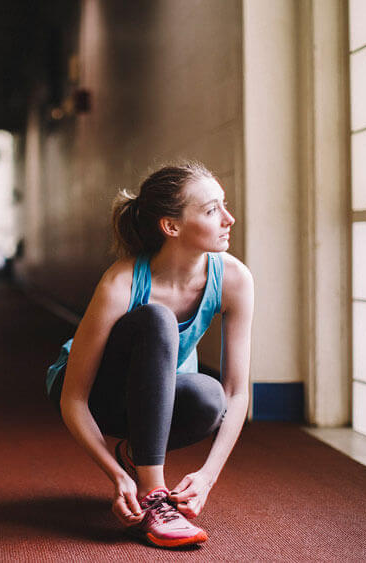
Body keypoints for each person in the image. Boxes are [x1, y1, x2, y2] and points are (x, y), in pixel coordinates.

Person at [45, 161, 253, 549]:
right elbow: (73, 398)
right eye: (211, 210)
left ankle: (137, 455)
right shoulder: (121, 281)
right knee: (157, 319)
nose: (229, 218)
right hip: (97, 394)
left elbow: (237, 392)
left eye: (223, 205)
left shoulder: (235, 279)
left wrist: (208, 475)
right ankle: (153, 494)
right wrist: (116, 476)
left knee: (210, 397)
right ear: (171, 227)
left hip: (153, 399)